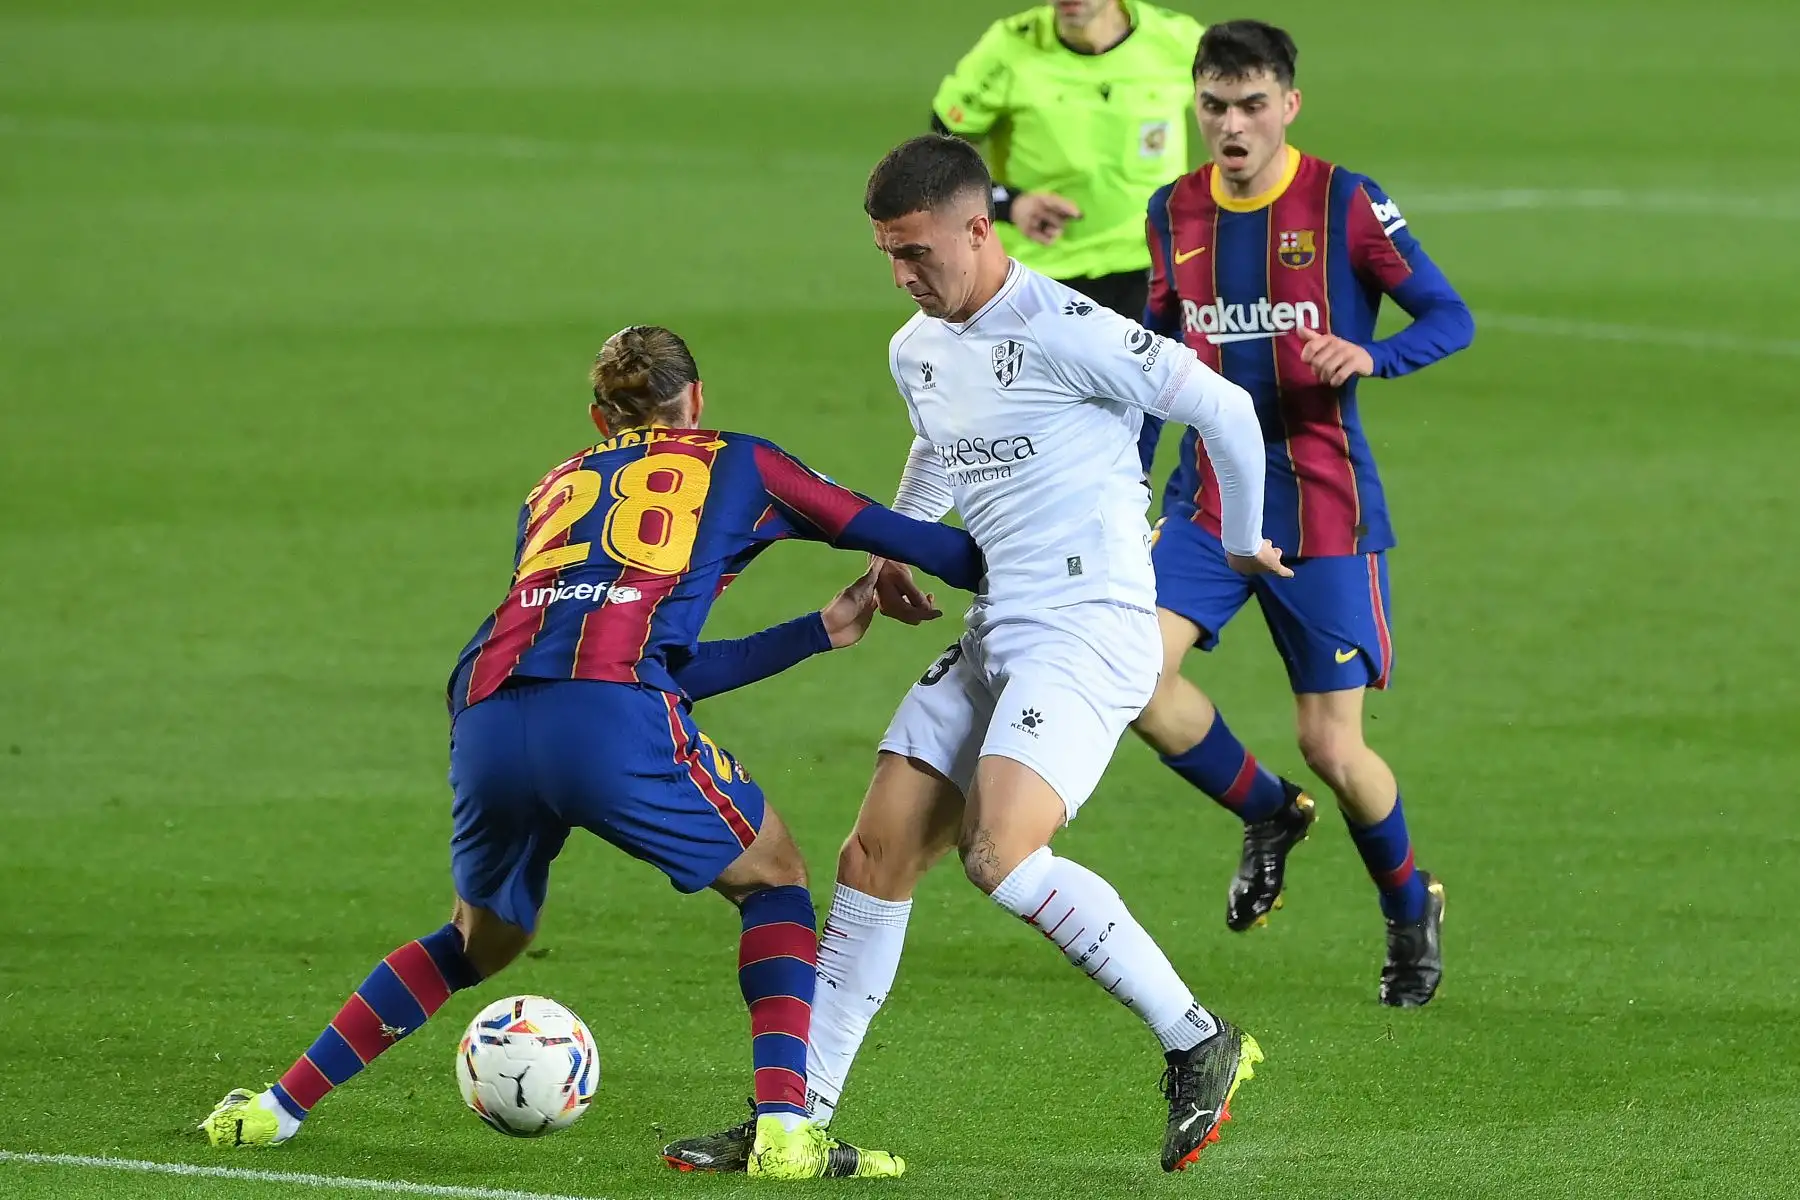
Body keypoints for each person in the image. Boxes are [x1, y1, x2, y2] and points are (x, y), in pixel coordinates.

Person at [199, 325, 991, 1180]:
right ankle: (786, 1133)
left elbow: (619, 651)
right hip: (610, 715)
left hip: (488, 714)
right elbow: (920, 543)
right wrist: (1045, 564)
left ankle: (271, 1113)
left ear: (599, 418)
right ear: (697, 399)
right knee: (775, 880)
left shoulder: (554, 486)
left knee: (479, 941)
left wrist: (817, 632)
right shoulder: (741, 461)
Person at [665, 134, 1284, 1176]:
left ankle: (1199, 1038)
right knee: (874, 857)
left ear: (978, 230)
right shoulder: (917, 347)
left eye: (917, 253)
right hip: (999, 623)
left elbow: (1222, 406)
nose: (904, 276)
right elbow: (938, 442)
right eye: (887, 258)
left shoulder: (1066, 325)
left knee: (1000, 855)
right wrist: (891, 550)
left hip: (1089, 624)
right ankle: (796, 1121)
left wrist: (1236, 540)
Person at [1132, 20, 1474, 1005]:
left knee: (1334, 745)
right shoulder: (1173, 213)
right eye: (1213, 107)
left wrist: (1373, 356)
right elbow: (1150, 366)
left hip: (1323, 507)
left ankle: (1409, 906)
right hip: (1205, 505)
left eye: (1249, 106)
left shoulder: (1347, 202)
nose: (1231, 126)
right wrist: (1132, 492)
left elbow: (1450, 317)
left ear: (1288, 104)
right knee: (1132, 682)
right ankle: (1268, 810)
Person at [931, 1, 1203, 320]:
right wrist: (1010, 204)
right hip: (1039, 278)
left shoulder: (1179, 41)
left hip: (1154, 271)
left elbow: (1239, 118)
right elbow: (941, 157)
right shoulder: (1007, 49)